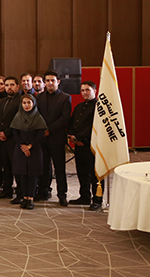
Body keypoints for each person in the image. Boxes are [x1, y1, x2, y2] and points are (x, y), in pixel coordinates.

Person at [35, 70, 72, 206]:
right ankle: (44, 191)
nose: (50, 83)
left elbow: (64, 118)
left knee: (59, 168)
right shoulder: (38, 98)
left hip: (56, 138)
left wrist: (49, 130)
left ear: (58, 82)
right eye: (48, 80)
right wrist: (42, 130)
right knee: (44, 167)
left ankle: (62, 195)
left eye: (53, 80)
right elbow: (36, 115)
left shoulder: (65, 97)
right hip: (42, 139)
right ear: (45, 82)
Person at [68, 81, 103, 211]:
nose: (85, 93)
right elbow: (72, 123)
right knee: (81, 172)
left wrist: (79, 138)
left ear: (95, 90)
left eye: (87, 90)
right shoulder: (79, 106)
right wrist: (72, 136)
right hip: (79, 145)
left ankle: (97, 199)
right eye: (82, 90)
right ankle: (84, 196)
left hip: (91, 145)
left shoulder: (99, 107)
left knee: (94, 174)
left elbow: (94, 126)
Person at [10, 94, 48, 210]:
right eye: (24, 103)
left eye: (29, 102)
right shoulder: (17, 116)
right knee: (22, 174)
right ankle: (24, 197)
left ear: (34, 104)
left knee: (32, 175)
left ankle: (30, 198)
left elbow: (40, 135)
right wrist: (23, 147)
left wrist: (30, 146)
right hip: (20, 149)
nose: (27, 105)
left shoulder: (38, 117)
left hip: (34, 149)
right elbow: (15, 134)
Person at [0, 77, 21, 199]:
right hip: (2, 140)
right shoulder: (2, 101)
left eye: (12, 85)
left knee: (17, 167)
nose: (9, 87)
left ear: (17, 86)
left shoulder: (21, 101)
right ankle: (7, 190)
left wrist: (6, 133)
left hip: (14, 139)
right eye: (7, 85)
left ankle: (20, 193)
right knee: (6, 166)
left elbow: (18, 120)